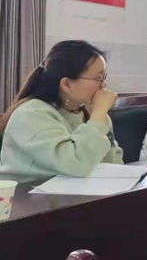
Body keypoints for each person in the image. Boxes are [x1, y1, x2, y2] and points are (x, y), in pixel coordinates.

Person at [0, 41, 123, 180]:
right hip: (26, 193)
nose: (104, 84)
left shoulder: (92, 113)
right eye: (98, 78)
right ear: (66, 84)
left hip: (83, 191)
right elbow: (77, 165)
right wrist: (99, 114)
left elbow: (114, 163)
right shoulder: (30, 114)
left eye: (104, 77)